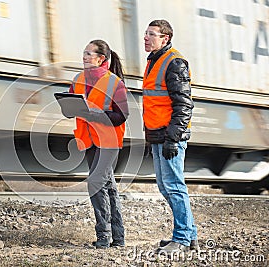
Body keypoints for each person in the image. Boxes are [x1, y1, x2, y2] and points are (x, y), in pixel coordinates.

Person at [142, 19, 198, 253]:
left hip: (169, 135)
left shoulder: (174, 62)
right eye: (145, 33)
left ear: (165, 38)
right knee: (166, 187)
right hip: (158, 135)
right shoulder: (154, 60)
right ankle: (189, 235)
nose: (146, 37)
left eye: (151, 34)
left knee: (174, 186)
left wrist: (173, 138)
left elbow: (184, 105)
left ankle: (182, 240)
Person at [68, 39, 129, 249]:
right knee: (108, 187)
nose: (84, 57)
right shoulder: (77, 79)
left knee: (95, 183)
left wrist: (96, 114)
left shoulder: (114, 83)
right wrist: (68, 107)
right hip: (87, 139)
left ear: (101, 59)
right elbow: (69, 108)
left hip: (108, 141)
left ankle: (103, 236)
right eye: (83, 53)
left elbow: (122, 115)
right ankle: (118, 238)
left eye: (88, 54)